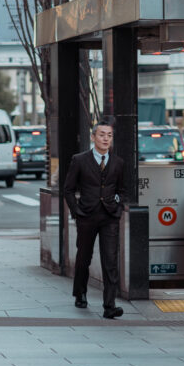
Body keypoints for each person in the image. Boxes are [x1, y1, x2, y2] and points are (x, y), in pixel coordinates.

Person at [64, 117, 128, 319]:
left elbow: (123, 190)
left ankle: (110, 305)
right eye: (102, 134)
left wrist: (118, 205)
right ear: (93, 137)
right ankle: (80, 292)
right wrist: (77, 212)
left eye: (109, 135)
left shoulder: (118, 163)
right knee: (84, 257)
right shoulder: (79, 160)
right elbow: (68, 190)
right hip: (87, 216)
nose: (106, 138)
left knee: (111, 260)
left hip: (109, 216)